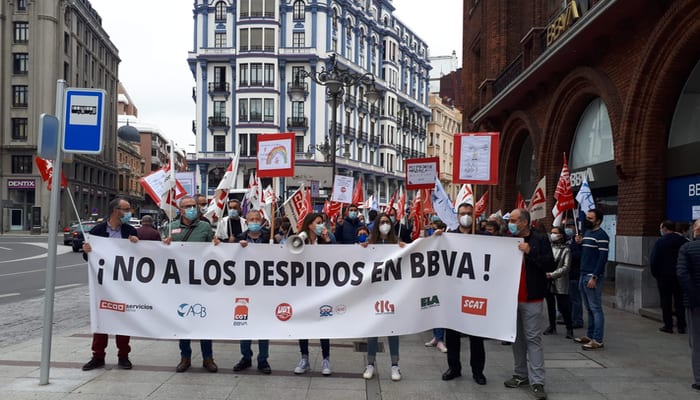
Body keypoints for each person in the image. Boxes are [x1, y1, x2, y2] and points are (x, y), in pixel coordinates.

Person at [81, 198, 139, 371]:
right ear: (116, 210)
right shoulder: (97, 231)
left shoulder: (130, 230)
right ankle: (97, 356)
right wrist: (87, 251)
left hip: (123, 284)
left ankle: (124, 356)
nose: (129, 212)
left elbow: (139, 256)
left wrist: (136, 243)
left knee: (123, 318)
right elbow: (89, 258)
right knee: (101, 319)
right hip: (103, 284)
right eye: (126, 209)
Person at [163, 195, 220, 373]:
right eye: (187, 206)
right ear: (180, 210)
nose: (192, 209)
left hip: (201, 282)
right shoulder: (171, 228)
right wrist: (164, 244)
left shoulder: (205, 227)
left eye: (194, 206)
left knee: (204, 321)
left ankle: (207, 358)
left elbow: (214, 251)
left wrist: (217, 244)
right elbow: (161, 254)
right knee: (184, 322)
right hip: (180, 284)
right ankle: (185, 357)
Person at [503, 208, 555, 400]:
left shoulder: (540, 240)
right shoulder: (506, 239)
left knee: (533, 339)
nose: (511, 223)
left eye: (514, 220)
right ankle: (520, 375)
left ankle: (537, 382)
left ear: (524, 222)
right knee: (516, 339)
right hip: (511, 298)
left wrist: (530, 252)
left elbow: (550, 265)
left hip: (532, 297)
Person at [436, 202, 487, 385]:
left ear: (474, 216)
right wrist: (436, 238)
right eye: (463, 213)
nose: (466, 216)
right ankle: (454, 368)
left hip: (475, 294)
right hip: (455, 294)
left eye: (469, 213)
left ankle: (478, 371)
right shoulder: (450, 237)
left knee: (476, 336)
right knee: (452, 334)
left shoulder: (483, 237)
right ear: (457, 216)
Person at [359, 213, 404, 381]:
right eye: (382, 222)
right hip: (375, 292)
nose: (385, 224)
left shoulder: (396, 243)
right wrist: (363, 248)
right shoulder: (371, 244)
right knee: (374, 329)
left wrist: (405, 248)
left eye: (387, 222)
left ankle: (395, 366)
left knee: (393, 329)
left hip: (392, 293)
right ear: (377, 225)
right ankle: (370, 364)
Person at [232, 209, 273, 374]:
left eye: (257, 219)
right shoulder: (239, 238)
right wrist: (236, 248)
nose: (254, 221)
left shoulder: (270, 237)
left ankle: (263, 360)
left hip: (265, 289)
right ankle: (246, 357)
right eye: (251, 219)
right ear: (246, 221)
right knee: (244, 323)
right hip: (244, 289)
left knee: (263, 325)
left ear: (262, 221)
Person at [295, 213, 333, 375]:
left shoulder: (325, 240)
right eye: (318, 223)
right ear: (309, 225)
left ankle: (326, 359)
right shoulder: (300, 239)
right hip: (303, 289)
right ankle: (304, 359)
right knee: (303, 325)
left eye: (322, 223)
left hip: (321, 290)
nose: (321, 225)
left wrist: (327, 240)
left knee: (323, 324)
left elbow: (337, 256)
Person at [573, 209, 609, 350]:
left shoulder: (602, 236)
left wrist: (595, 276)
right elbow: (585, 253)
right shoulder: (587, 233)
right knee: (588, 308)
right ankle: (590, 335)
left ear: (598, 220)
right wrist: (580, 243)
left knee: (596, 308)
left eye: (590, 218)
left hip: (591, 276)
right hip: (583, 273)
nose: (587, 220)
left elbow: (602, 258)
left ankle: (598, 339)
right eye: (587, 217)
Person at [651, 219, 689, 333]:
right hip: (679, 275)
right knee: (680, 301)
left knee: (665, 301)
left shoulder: (660, 242)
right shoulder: (683, 241)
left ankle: (668, 325)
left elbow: (654, 260)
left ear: (665, 229)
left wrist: (656, 274)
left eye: (661, 228)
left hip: (664, 276)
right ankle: (681, 325)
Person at [677, 219, 700, 391]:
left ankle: (699, 379)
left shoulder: (687, 248)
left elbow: (683, 274)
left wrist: (693, 296)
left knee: (697, 341)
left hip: (695, 302)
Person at [544, 225, 574, 339]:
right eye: (551, 232)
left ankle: (569, 328)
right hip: (548, 281)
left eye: (555, 232)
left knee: (563, 306)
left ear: (561, 235)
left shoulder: (566, 250)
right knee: (550, 304)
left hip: (560, 281)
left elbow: (566, 267)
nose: (552, 234)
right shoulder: (549, 247)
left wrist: (552, 274)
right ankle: (552, 326)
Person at [564, 220, 584, 329]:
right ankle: (571, 318)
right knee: (570, 298)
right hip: (568, 274)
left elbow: (579, 256)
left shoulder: (578, 242)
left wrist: (569, 253)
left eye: (570, 226)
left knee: (576, 299)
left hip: (575, 274)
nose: (568, 228)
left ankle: (577, 320)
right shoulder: (568, 240)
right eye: (566, 226)